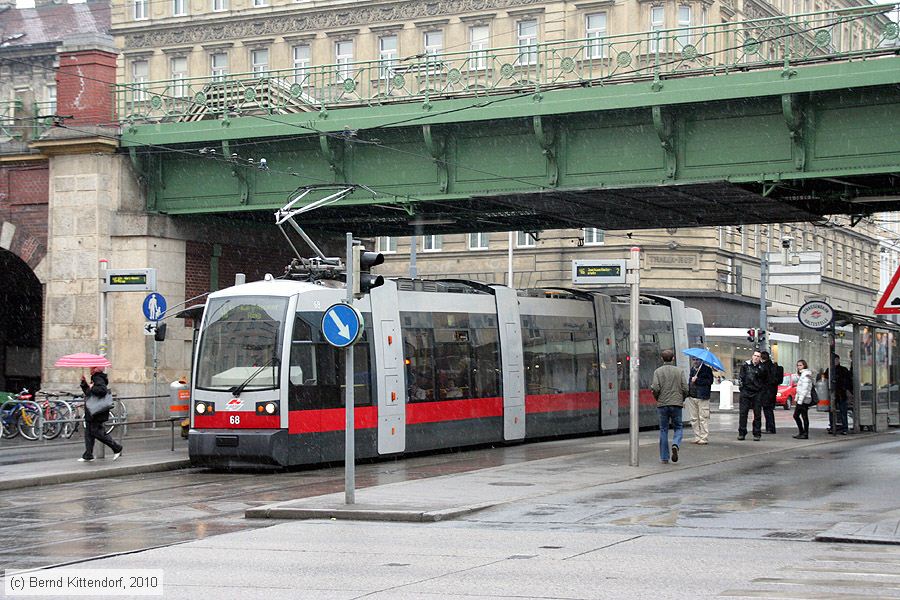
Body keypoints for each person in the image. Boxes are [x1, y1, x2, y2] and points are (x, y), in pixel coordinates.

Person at [78, 366, 123, 462]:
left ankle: (116, 447)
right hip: (92, 410)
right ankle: (88, 455)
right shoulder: (96, 377)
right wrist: (84, 383)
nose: (90, 369)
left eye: (92, 368)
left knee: (96, 432)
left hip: (96, 411)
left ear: (96, 369)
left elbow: (102, 391)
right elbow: (89, 393)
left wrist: (92, 387)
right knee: (89, 433)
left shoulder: (97, 377)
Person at [651, 349, 688, 464]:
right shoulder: (680, 371)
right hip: (676, 404)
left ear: (662, 359)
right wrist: (682, 399)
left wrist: (658, 398)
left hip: (662, 404)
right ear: (673, 359)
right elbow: (685, 388)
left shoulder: (657, 372)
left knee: (663, 430)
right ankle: (676, 443)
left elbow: (655, 388)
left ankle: (664, 457)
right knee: (678, 427)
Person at [738, 350, 768, 441]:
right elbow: (741, 377)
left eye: (758, 356)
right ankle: (742, 433)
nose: (756, 357)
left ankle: (757, 433)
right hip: (746, 392)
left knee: (757, 414)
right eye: (755, 355)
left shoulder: (762, 368)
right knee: (743, 413)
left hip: (757, 392)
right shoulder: (745, 366)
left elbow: (765, 380)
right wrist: (742, 388)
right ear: (752, 356)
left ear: (760, 358)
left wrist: (761, 391)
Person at [686, 358, 713, 445]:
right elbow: (690, 381)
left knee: (703, 418)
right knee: (694, 418)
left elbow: (710, 381)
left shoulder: (707, 369)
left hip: (702, 397)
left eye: (697, 360)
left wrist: (697, 380)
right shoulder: (693, 369)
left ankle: (704, 437)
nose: (695, 361)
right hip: (692, 396)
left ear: (701, 361)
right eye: (694, 359)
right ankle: (697, 436)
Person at [826, 355, 852, 434]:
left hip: (841, 393)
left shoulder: (843, 370)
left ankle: (844, 428)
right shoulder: (829, 370)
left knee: (842, 411)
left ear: (838, 360)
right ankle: (833, 426)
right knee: (832, 411)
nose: (835, 362)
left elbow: (848, 381)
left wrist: (847, 390)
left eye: (836, 360)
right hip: (834, 394)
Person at [759, 351, 782, 434]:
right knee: (770, 410)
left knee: (767, 410)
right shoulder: (773, 366)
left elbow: (762, 379)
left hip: (766, 391)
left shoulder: (764, 366)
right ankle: (771, 427)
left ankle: (770, 428)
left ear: (761, 358)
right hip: (773, 391)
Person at [792, 359, 815, 439]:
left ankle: (804, 433)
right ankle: (803, 433)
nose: (799, 367)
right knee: (802, 416)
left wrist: (799, 400)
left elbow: (804, 389)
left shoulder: (805, 375)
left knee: (798, 415)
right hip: (804, 398)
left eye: (800, 365)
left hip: (805, 398)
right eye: (798, 365)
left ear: (804, 365)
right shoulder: (803, 374)